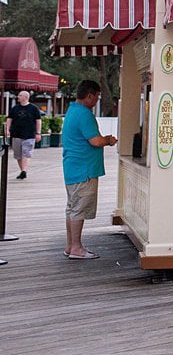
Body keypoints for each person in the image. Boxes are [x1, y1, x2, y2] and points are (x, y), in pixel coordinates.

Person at [61, 80, 117, 259]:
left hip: (73, 167)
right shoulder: (84, 114)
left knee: (72, 208)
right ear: (90, 95)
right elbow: (96, 141)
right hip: (84, 170)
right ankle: (77, 248)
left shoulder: (72, 110)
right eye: (96, 97)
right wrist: (108, 139)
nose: (96, 101)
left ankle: (70, 246)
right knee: (79, 209)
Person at [5, 90, 41, 179]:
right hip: (16, 134)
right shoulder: (15, 108)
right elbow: (9, 119)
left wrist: (38, 133)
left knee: (26, 153)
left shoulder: (34, 108)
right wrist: (7, 129)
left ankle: (24, 170)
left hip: (29, 135)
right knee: (18, 155)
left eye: (20, 95)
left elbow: (38, 121)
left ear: (26, 97)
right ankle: (22, 171)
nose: (18, 97)